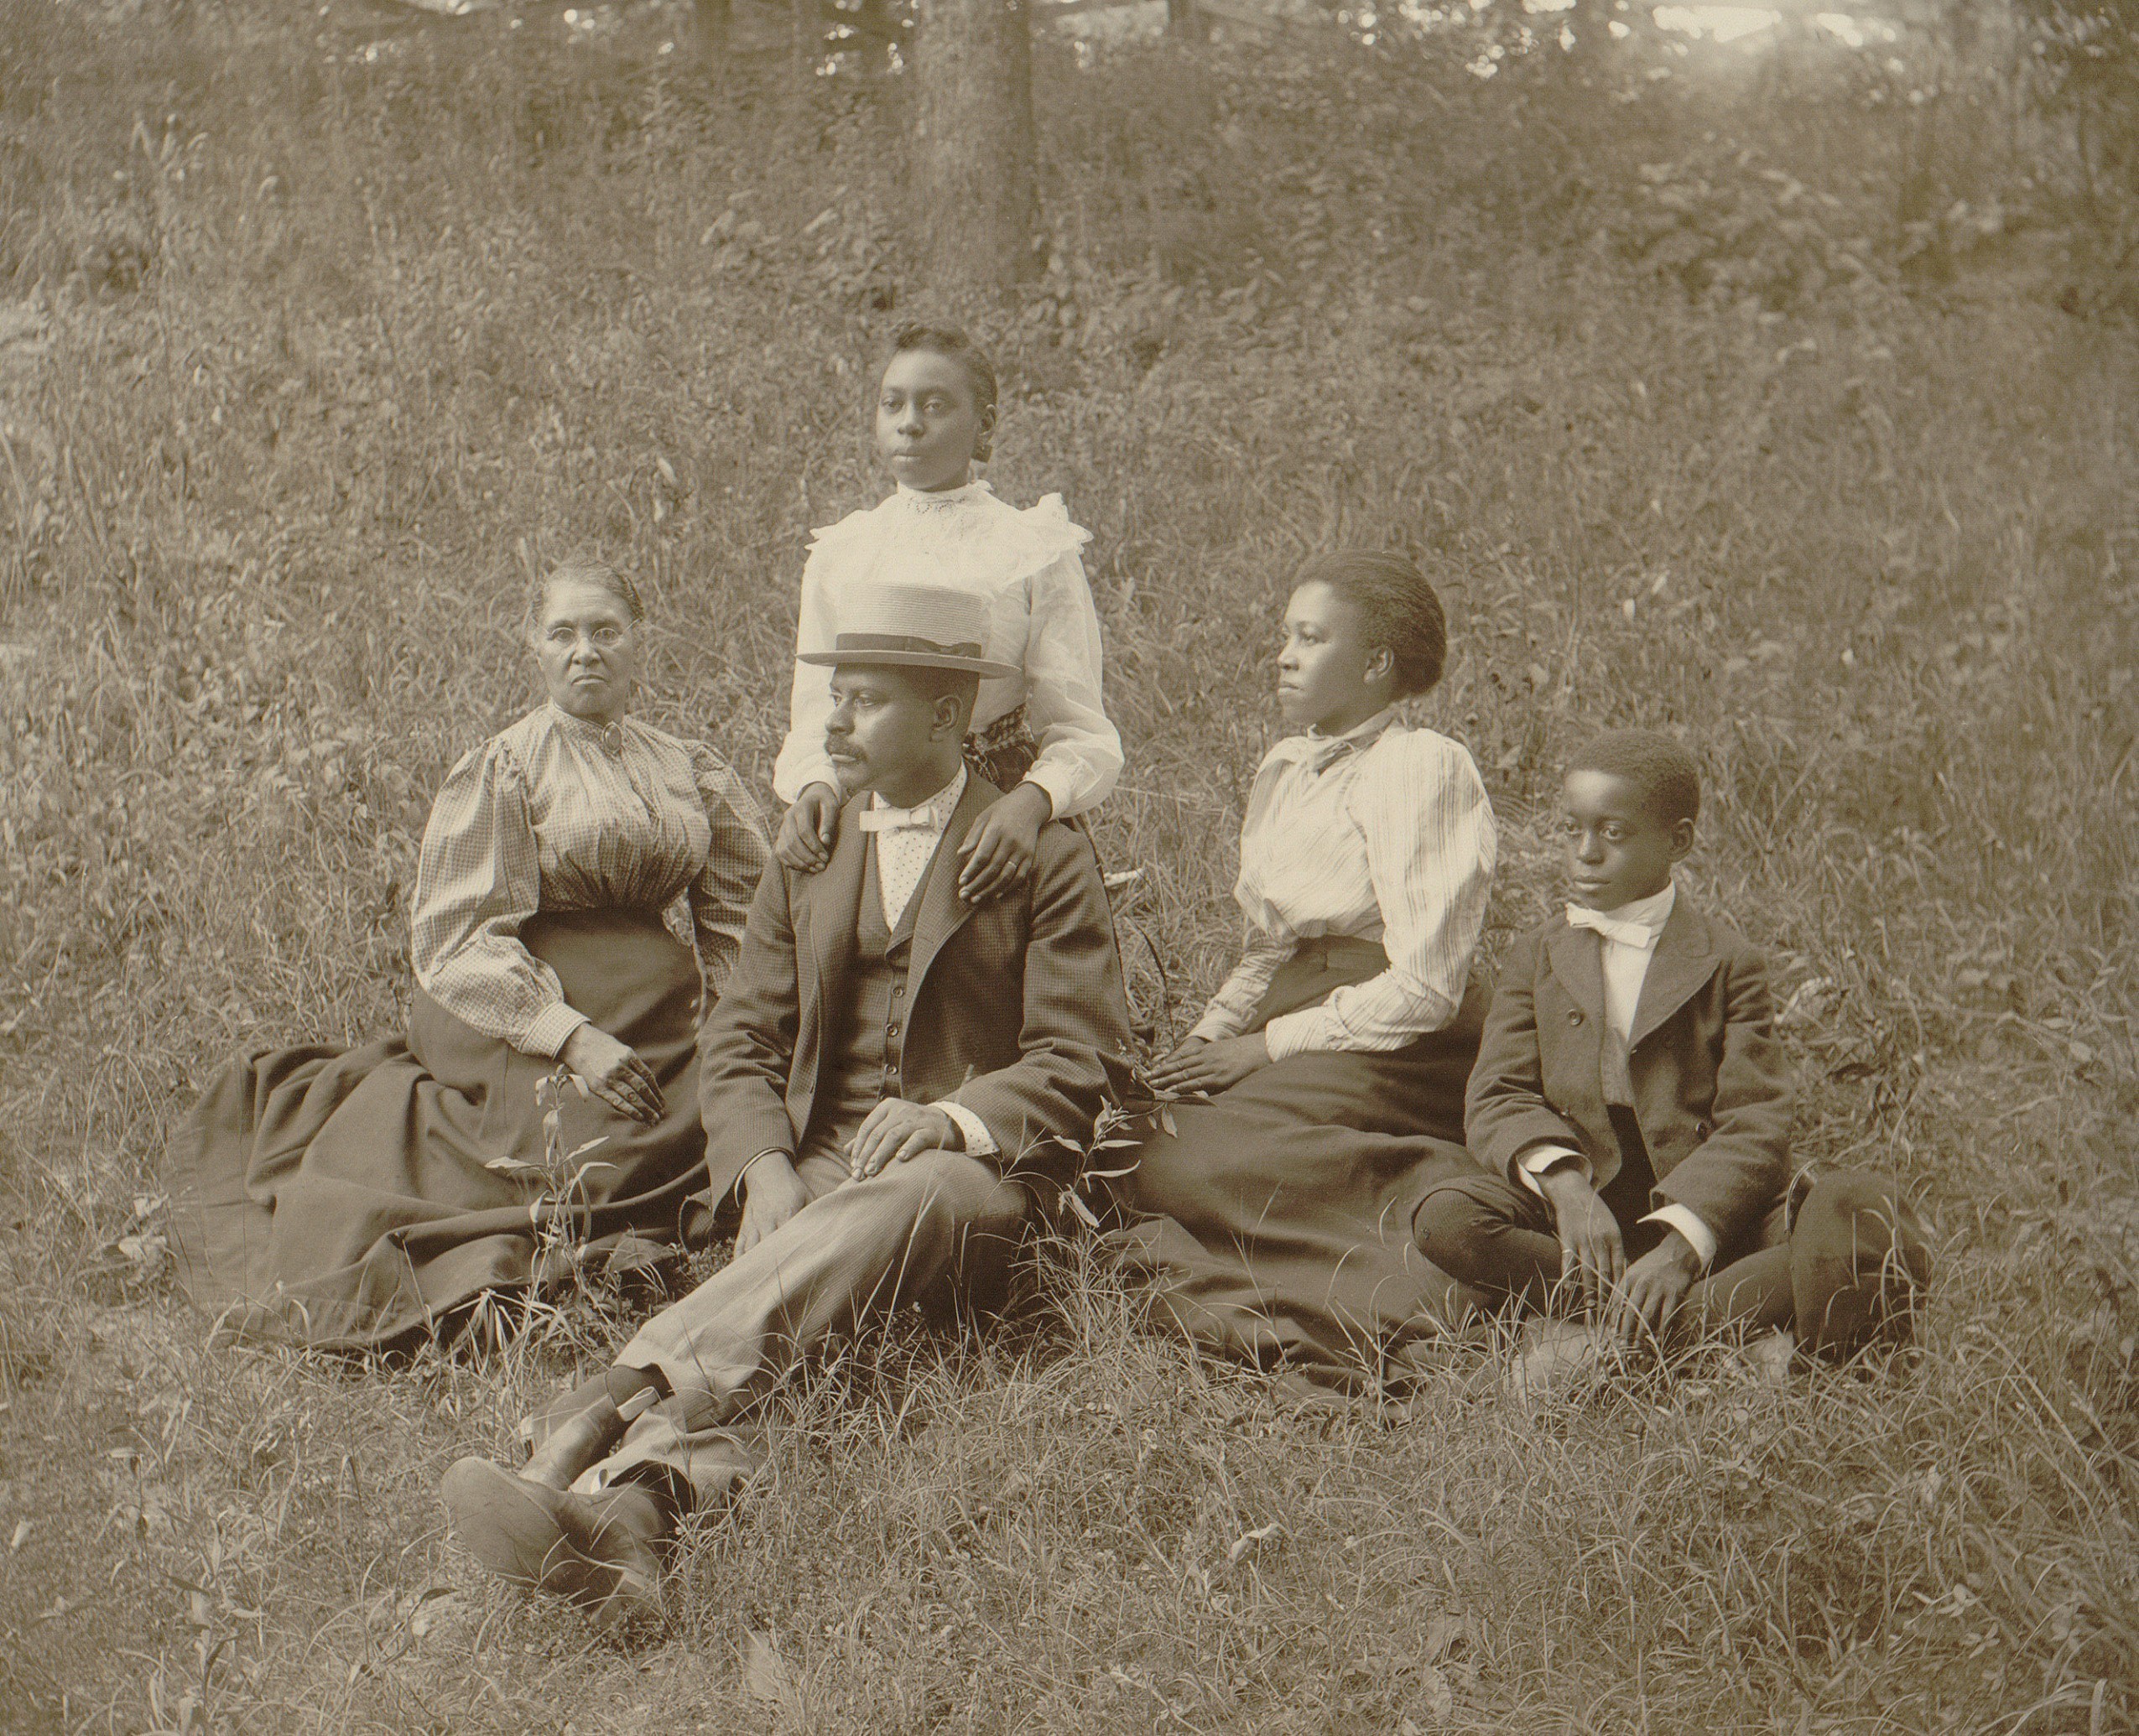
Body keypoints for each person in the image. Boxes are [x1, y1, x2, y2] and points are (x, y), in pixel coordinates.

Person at [440, 582, 1134, 1628]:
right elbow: (741, 1038)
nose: (835, 725)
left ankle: (601, 1403)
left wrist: (952, 1118)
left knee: (913, 1193)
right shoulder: (809, 852)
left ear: (948, 716)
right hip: (818, 1166)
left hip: (971, 1184)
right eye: (834, 698)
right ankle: (639, 1510)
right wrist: (762, 1163)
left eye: (865, 701)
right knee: (819, 1336)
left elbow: (1083, 1058)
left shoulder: (1040, 850)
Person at [165, 559, 770, 1351]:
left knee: (722, 1097)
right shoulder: (507, 766)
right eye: (564, 634)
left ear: (639, 644)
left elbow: (741, 915)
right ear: (536, 648)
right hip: (512, 999)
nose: (585, 650)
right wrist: (570, 1036)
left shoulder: (687, 766)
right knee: (602, 1142)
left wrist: (736, 1016)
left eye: (606, 632)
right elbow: (458, 937)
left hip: (654, 1006)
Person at [1414, 729, 1932, 1377]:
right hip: (1588, 1210)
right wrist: (1568, 1189)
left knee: (1857, 1213)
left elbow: (1756, 1121)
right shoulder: (1538, 954)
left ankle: (1625, 1338)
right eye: (1571, 829)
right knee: (1445, 1217)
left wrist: (1682, 1249)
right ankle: (1699, 1338)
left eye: (1613, 833)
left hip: (1706, 1215)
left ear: (1677, 842)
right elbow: (1498, 1092)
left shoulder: (1729, 962)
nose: (1584, 855)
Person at [1098, 551, 1497, 1389]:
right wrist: (1201, 1044)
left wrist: (1261, 1050)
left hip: (1397, 1039)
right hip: (1294, 1018)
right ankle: (1278, 1277)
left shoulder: (1420, 765)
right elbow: (1268, 951)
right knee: (1133, 1136)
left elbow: (1426, 985)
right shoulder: (1286, 767)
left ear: (1376, 662)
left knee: (1188, 1160)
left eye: (1311, 638)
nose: (1283, 655)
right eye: (1287, 635)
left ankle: (1404, 1278)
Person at [772, 321, 1122, 907]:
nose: (909, 422)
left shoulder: (1032, 548)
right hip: (870, 793)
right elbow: (816, 709)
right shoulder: (845, 552)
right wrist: (816, 784)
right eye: (893, 404)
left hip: (995, 801)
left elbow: (1079, 725)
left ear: (983, 426)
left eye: (935, 406)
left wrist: (1031, 804)